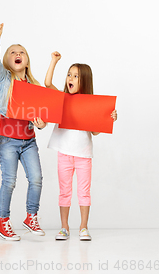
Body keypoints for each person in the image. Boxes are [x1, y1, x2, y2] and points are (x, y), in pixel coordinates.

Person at [44, 51, 117, 241]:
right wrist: (54, 61)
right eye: (69, 74)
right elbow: (47, 84)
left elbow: (95, 131)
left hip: (83, 154)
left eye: (76, 76)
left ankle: (83, 227)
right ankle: (64, 227)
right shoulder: (62, 98)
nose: (71, 78)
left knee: (84, 192)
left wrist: (109, 118)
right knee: (64, 191)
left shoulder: (90, 104)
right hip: (64, 153)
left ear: (84, 81)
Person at [0, 23, 47, 241]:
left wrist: (41, 124)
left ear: (27, 60)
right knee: (10, 181)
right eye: (13, 52)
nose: (17, 54)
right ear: (8, 60)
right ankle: (2, 221)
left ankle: (31, 217)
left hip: (29, 141)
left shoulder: (34, 85)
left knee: (37, 179)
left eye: (21, 52)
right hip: (9, 141)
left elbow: (42, 118)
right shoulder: (5, 80)